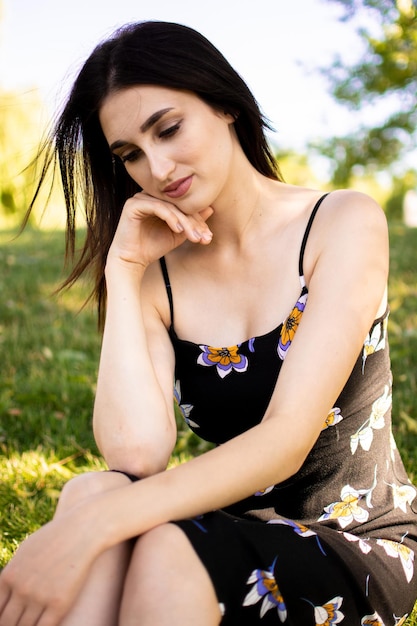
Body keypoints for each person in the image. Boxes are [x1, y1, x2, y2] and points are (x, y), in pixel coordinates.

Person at [0, 20, 416, 626]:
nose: (158, 167)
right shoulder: (156, 273)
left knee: (141, 534)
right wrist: (123, 271)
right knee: (92, 489)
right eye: (131, 155)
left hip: (356, 541)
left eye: (168, 129)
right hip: (229, 527)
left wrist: (92, 526)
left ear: (224, 104)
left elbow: (284, 442)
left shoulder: (341, 223)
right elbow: (135, 453)